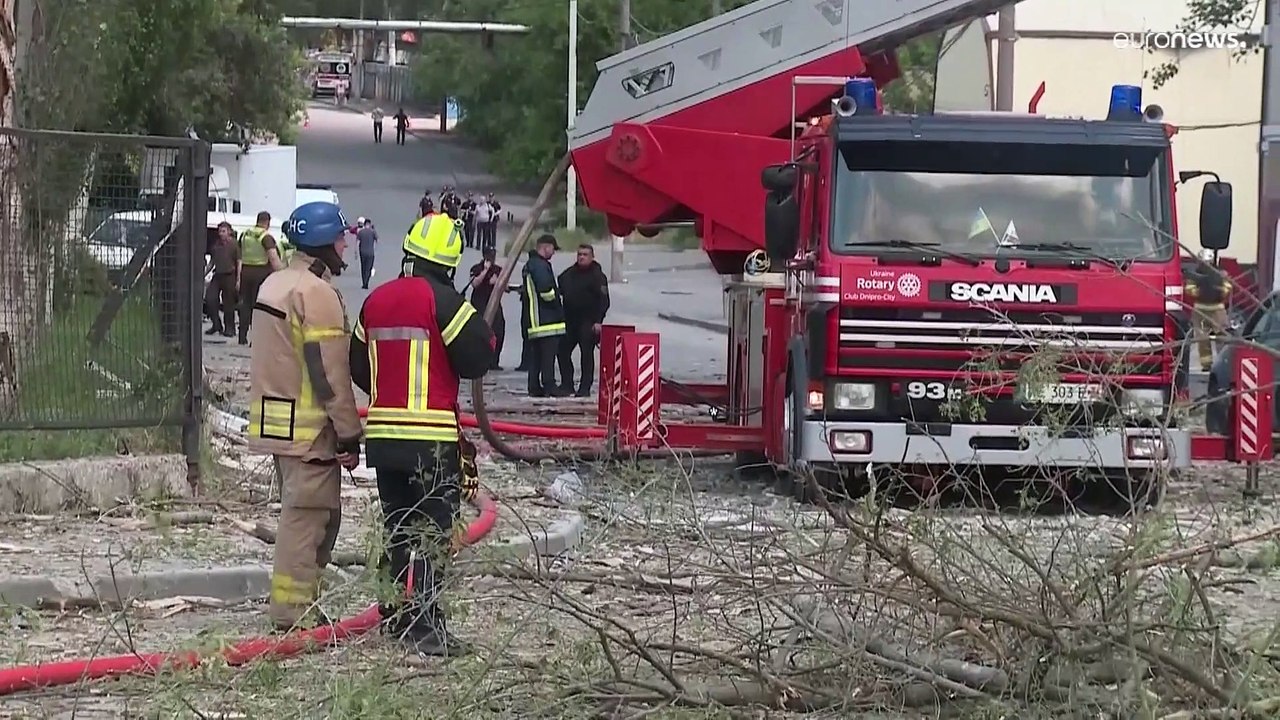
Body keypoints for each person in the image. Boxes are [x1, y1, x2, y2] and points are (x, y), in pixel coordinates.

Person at [349, 211, 495, 656]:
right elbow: (479, 356)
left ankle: (394, 614)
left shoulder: (376, 300)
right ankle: (426, 629)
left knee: (398, 529)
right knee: (431, 534)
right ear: (449, 263)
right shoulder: (444, 302)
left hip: (384, 439)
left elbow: (358, 366)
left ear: (409, 252)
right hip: (430, 440)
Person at [246, 201, 362, 632]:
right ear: (321, 243)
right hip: (309, 430)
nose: (344, 245)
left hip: (276, 420)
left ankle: (300, 606)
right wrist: (349, 433)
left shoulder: (275, 284)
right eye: (339, 238)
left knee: (304, 512)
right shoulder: (317, 294)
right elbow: (328, 371)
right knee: (309, 516)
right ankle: (293, 614)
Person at [556, 244, 610, 397]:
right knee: (562, 351)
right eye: (579, 254)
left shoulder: (598, 276)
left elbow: (604, 301)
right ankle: (567, 384)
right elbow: (560, 284)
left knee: (586, 355)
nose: (581, 257)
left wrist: (598, 321)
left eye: (585, 254)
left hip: (589, 321)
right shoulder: (569, 274)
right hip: (570, 320)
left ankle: (585, 387)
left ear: (592, 257)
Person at [522, 234, 566, 397]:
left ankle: (534, 386)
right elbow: (546, 291)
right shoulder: (540, 266)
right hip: (546, 320)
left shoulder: (531, 264)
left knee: (536, 358)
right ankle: (549, 385)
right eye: (553, 249)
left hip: (536, 321)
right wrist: (557, 300)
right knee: (548, 356)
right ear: (545, 247)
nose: (553, 253)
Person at [237, 211, 284, 346]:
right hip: (261, 274)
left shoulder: (245, 234)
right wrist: (282, 275)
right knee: (257, 307)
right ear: (267, 222)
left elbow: (240, 258)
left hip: (245, 272)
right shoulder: (266, 237)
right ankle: (255, 339)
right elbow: (273, 259)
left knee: (245, 305)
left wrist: (238, 277)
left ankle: (242, 336)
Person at [1186, 248, 1233, 371]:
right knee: (1202, 338)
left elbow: (1228, 285)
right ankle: (1207, 365)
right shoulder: (1195, 274)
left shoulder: (1220, 274)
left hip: (1217, 309)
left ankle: (1224, 362)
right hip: (1200, 310)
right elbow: (1189, 288)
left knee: (1222, 336)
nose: (1205, 265)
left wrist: (1220, 291)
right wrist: (1200, 292)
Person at [469, 248, 505, 370]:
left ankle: (494, 362)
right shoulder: (476, 268)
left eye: (493, 256)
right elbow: (474, 283)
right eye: (489, 256)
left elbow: (506, 287)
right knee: (481, 334)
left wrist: (497, 282)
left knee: (499, 332)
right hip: (479, 305)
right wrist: (485, 270)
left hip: (494, 304)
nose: (492, 258)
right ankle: (480, 361)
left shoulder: (498, 270)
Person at [204, 221, 239, 338]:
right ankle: (216, 324)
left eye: (223, 231)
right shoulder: (216, 245)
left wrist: (239, 278)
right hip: (217, 275)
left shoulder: (234, 245)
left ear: (229, 232)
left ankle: (230, 328)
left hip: (230, 275)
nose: (221, 234)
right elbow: (212, 262)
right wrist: (204, 273)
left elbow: (239, 262)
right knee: (210, 299)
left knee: (228, 304)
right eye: (219, 231)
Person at [356, 217, 378, 289]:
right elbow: (377, 240)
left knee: (363, 267)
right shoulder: (373, 232)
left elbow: (357, 242)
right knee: (369, 268)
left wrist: (356, 252)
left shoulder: (361, 232)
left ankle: (364, 282)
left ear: (364, 224)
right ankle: (366, 282)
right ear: (370, 224)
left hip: (362, 252)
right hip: (370, 252)